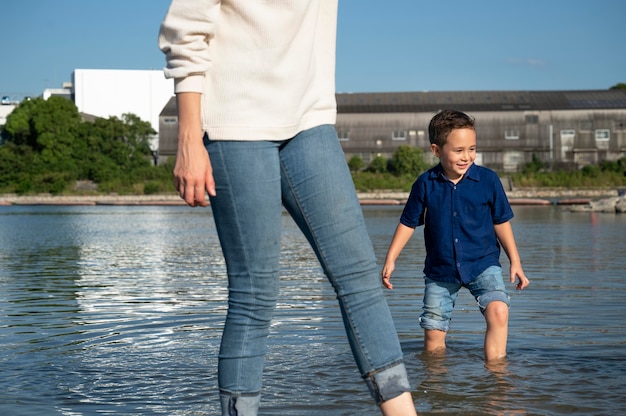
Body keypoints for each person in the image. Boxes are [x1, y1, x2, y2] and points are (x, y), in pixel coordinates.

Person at [158, 1, 417, 415]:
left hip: (308, 119)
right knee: (255, 291)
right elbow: (184, 32)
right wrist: (188, 139)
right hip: (234, 123)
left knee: (359, 277)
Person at [381, 109, 530, 362]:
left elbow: (501, 222)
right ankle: (436, 385)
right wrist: (391, 259)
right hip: (440, 271)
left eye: (472, 148)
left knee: (499, 311)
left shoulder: (488, 180)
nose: (467, 156)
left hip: (483, 263)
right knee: (433, 335)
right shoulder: (425, 183)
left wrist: (515, 261)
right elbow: (408, 223)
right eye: (458, 150)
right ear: (436, 150)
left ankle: (497, 375)